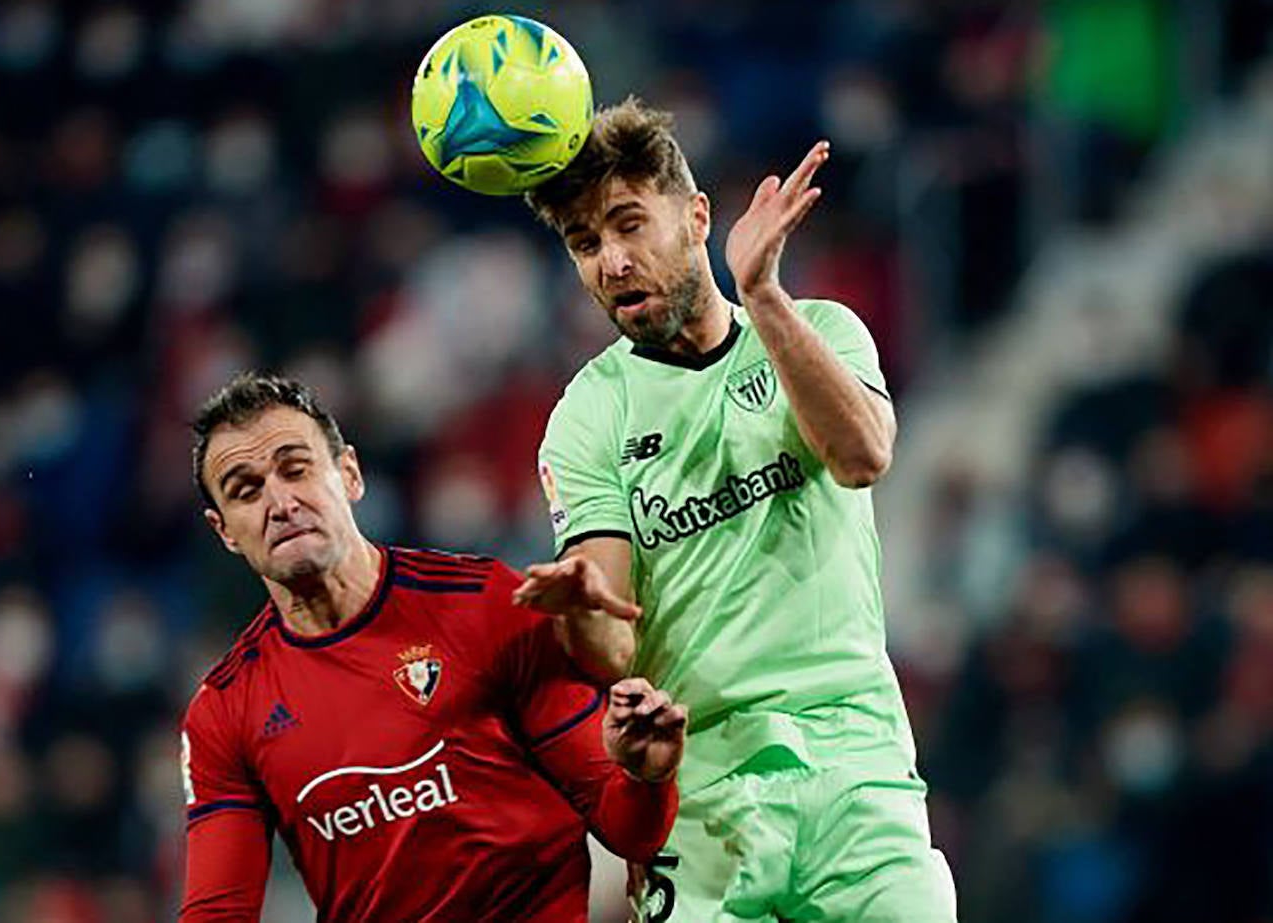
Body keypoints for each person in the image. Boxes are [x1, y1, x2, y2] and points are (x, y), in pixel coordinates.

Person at [513, 98, 957, 922]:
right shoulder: (589, 414)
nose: (611, 262)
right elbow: (611, 637)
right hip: (699, 788)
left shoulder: (822, 329)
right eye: (585, 243)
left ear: (696, 217)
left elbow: (861, 456)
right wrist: (578, 611)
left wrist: (765, 295)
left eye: (628, 224)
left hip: (855, 761)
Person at [178, 372, 688, 922]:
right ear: (224, 530)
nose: (280, 503)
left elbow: (627, 828)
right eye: (245, 490)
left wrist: (645, 777)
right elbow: (217, 912)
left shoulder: (483, 606)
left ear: (349, 474)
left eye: (295, 469)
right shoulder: (226, 710)